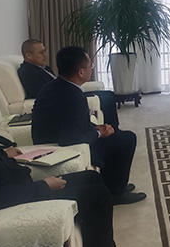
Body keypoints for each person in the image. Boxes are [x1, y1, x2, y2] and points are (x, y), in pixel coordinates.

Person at [0, 128, 142, 247]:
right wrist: (44, 186)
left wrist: (3, 154)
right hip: (20, 199)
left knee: (91, 177)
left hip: (24, 187)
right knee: (97, 196)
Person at [31, 47, 146, 204]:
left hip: (50, 139)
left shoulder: (53, 86)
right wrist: (98, 133)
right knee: (127, 139)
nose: (91, 69)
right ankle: (116, 193)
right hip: (59, 147)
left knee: (116, 135)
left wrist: (96, 128)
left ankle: (112, 185)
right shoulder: (73, 96)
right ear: (80, 72)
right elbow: (69, 138)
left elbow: (69, 121)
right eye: (90, 66)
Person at [18, 39, 120, 127]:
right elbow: (41, 93)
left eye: (45, 51)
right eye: (41, 52)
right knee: (107, 99)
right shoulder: (27, 72)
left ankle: (112, 128)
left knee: (110, 94)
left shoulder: (44, 68)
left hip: (66, 92)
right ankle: (112, 131)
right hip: (63, 98)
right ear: (28, 55)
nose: (45, 55)